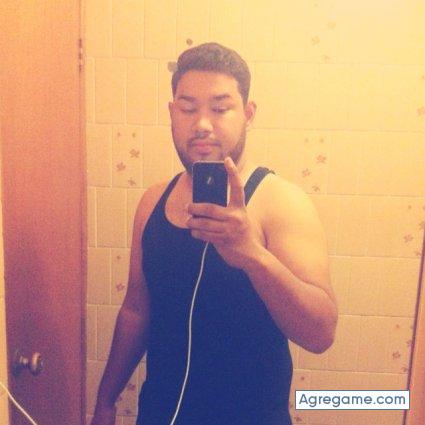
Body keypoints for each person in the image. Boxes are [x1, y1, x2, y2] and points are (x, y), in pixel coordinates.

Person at [91, 42, 338, 425]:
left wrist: (253, 256)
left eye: (220, 109)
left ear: (248, 114)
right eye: (188, 108)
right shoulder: (152, 202)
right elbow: (137, 310)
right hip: (160, 414)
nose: (202, 124)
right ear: (172, 113)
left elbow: (320, 333)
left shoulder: (281, 202)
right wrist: (105, 400)